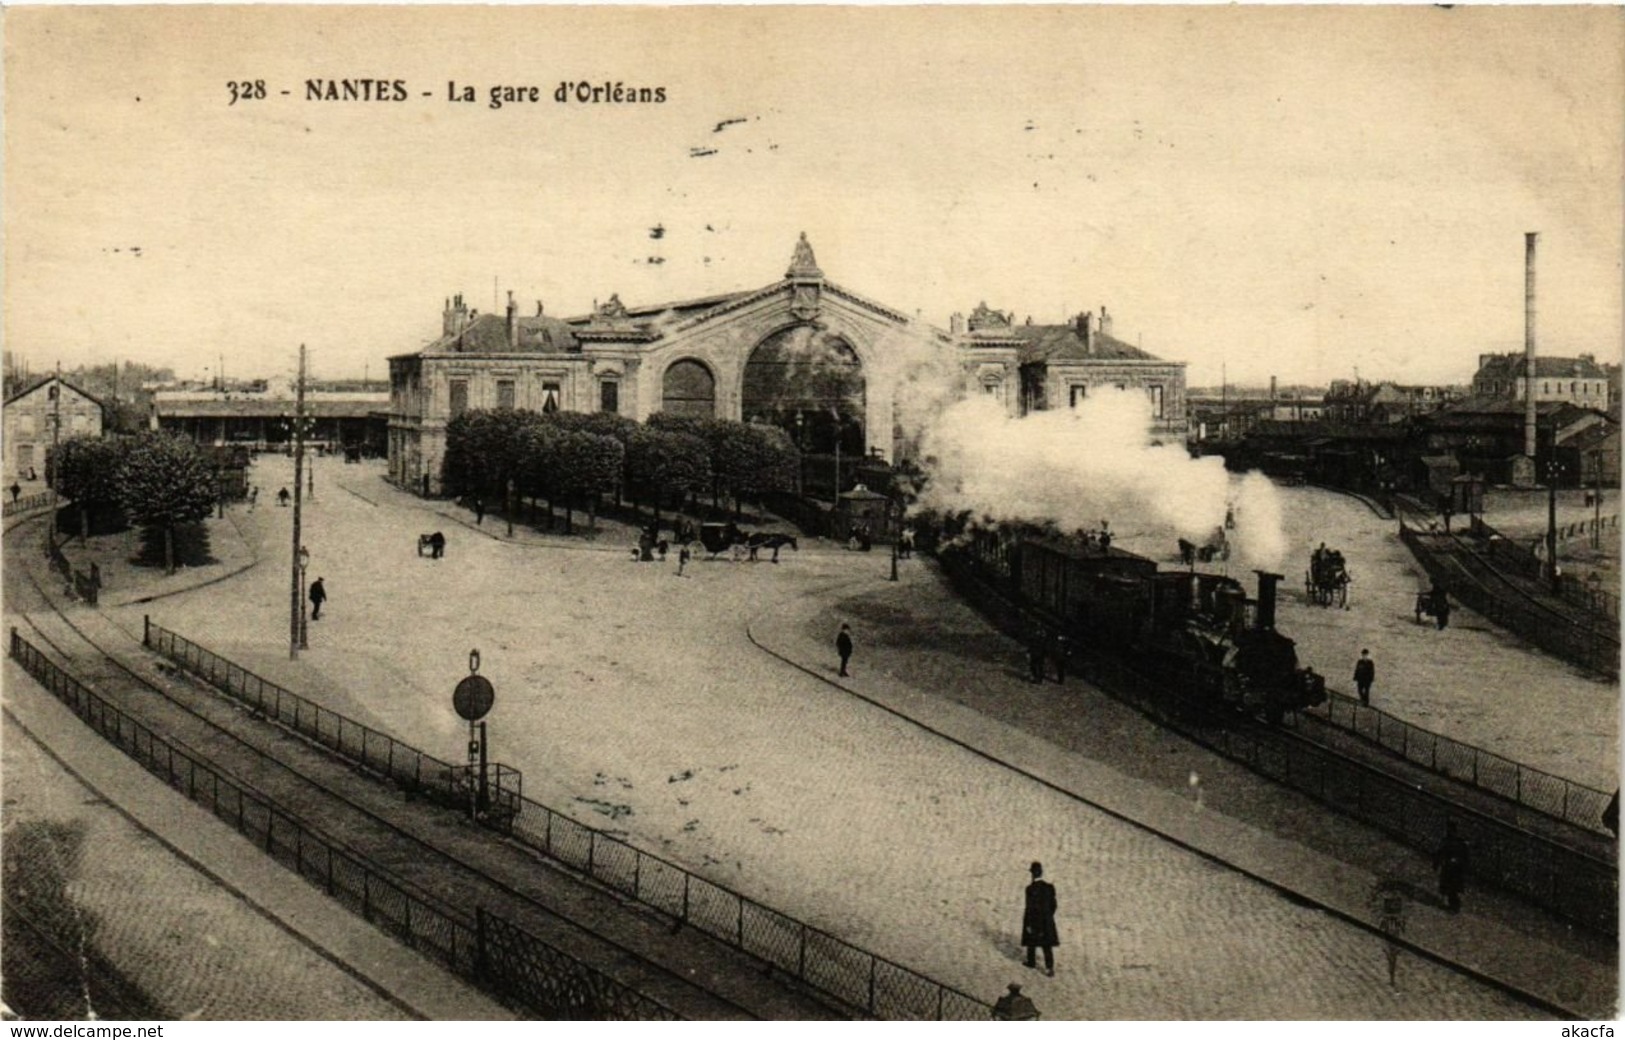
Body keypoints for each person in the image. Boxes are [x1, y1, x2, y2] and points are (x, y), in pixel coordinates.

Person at [1021, 862, 1058, 976]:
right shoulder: (1049, 887)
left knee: (1031, 941)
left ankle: (1031, 962)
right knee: (1047, 945)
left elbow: (1030, 908)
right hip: (1047, 920)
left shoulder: (1030, 889)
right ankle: (1049, 967)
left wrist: (1028, 923)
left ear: (1032, 874)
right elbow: (1054, 905)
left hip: (1034, 920)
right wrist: (1048, 916)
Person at [1432, 821, 1469, 912]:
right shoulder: (1449, 841)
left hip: (1455, 868)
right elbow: (1440, 852)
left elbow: (1465, 856)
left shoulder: (1458, 842)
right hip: (1450, 867)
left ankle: (1454, 905)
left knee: (1452, 887)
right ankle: (1452, 904)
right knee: (1449, 886)